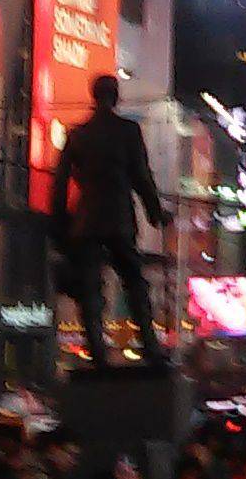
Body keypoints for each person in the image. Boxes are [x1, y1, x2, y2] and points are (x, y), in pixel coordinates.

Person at [47, 73, 171, 364]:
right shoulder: (128, 131)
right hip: (118, 218)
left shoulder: (78, 135)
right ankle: (150, 347)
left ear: (93, 96)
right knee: (134, 282)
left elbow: (59, 184)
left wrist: (59, 225)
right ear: (115, 97)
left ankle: (98, 353)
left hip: (86, 219)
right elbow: (142, 177)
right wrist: (156, 213)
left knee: (89, 287)